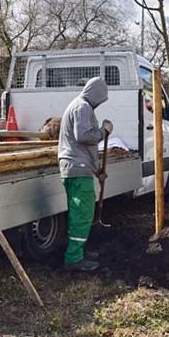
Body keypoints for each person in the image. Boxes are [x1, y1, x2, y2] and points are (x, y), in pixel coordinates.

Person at [58, 77, 113, 272]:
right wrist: (103, 132)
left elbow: (85, 147)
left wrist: (97, 170)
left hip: (77, 166)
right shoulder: (83, 107)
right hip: (77, 168)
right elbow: (84, 136)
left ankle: (78, 251)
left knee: (79, 213)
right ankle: (74, 259)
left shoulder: (80, 106)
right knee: (82, 214)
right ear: (96, 93)